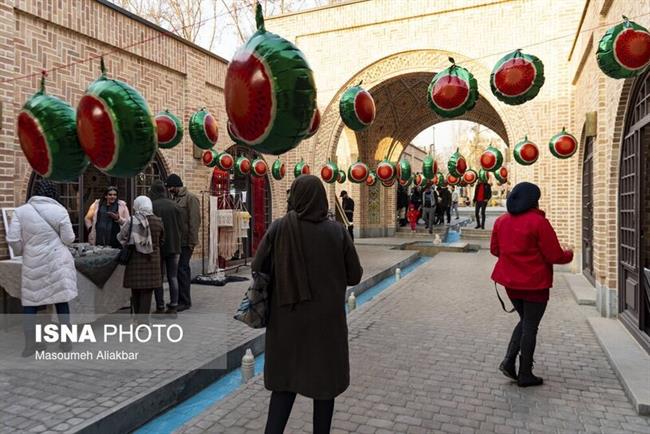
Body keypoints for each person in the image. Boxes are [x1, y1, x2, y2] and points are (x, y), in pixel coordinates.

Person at [253, 175, 363, 434]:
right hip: (326, 328)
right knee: (323, 389)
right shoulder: (337, 231)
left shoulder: (279, 228)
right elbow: (354, 275)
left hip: (286, 325)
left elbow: (258, 267)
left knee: (284, 387)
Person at [490, 182, 573, 387]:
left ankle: (509, 362)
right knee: (530, 326)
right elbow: (554, 255)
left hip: (510, 284)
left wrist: (512, 257)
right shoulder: (538, 222)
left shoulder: (501, 221)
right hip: (534, 285)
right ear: (533, 201)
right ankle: (525, 373)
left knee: (525, 321)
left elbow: (494, 250)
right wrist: (569, 253)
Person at [6, 180, 77, 357]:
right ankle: (66, 342)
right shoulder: (60, 210)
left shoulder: (21, 212)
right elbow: (69, 239)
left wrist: (24, 250)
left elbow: (13, 239)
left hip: (33, 262)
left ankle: (30, 345)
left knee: (31, 303)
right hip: (57, 261)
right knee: (61, 301)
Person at [118, 196, 164, 319]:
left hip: (135, 259)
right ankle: (143, 321)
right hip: (152, 259)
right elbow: (162, 240)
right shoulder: (158, 221)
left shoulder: (132, 220)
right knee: (147, 291)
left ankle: (136, 317)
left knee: (136, 290)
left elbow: (121, 236)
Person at [165, 174, 200, 312]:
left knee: (182, 270)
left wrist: (192, 241)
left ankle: (185, 301)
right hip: (178, 241)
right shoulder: (176, 198)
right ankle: (180, 299)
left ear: (175, 186)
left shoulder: (190, 198)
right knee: (179, 270)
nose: (168, 190)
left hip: (186, 241)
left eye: (170, 187)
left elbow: (195, 221)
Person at [148, 180, 183, 317]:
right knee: (172, 276)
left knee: (158, 277)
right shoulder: (175, 205)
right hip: (173, 245)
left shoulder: (152, 206)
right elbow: (181, 227)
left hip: (157, 246)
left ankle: (160, 306)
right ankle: (174, 305)